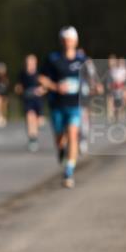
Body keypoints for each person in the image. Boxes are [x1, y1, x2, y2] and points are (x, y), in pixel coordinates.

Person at [39, 26, 88, 188]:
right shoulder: (53, 59)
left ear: (76, 41)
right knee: (60, 139)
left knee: (73, 135)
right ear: (61, 41)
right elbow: (41, 78)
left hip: (74, 104)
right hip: (57, 104)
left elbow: (90, 77)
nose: (68, 43)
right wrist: (55, 86)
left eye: (71, 40)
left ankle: (69, 171)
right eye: (65, 40)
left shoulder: (81, 60)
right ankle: (61, 151)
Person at [16, 54, 45, 152]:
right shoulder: (22, 74)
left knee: (38, 121)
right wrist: (19, 90)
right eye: (28, 62)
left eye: (32, 62)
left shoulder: (39, 73)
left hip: (38, 100)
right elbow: (19, 87)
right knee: (29, 117)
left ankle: (35, 135)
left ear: (35, 63)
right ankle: (32, 139)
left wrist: (41, 90)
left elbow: (46, 86)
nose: (30, 64)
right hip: (27, 100)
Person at [107, 55, 126, 124]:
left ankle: (124, 114)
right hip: (115, 89)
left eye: (122, 62)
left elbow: (125, 79)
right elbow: (112, 79)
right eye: (119, 61)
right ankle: (115, 117)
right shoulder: (113, 70)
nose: (120, 63)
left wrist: (123, 85)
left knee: (121, 102)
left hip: (121, 88)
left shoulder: (124, 70)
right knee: (115, 103)